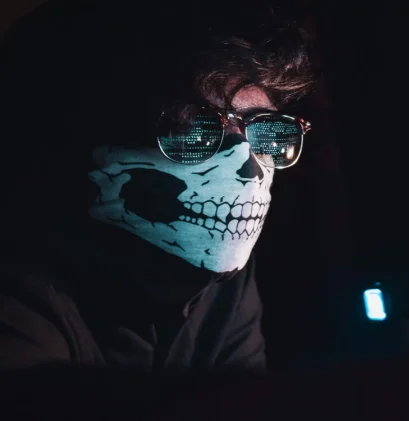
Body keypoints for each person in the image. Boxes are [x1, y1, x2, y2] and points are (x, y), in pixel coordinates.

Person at [0, 0, 314, 372]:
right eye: (191, 128)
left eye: (267, 132)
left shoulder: (219, 281)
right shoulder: (21, 287)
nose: (250, 169)